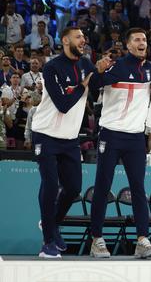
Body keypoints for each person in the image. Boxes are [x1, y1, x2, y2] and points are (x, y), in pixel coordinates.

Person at [88, 29, 151, 258]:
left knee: (138, 189)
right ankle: (96, 239)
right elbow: (93, 90)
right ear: (128, 45)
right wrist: (97, 72)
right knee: (102, 186)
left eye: (145, 40)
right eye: (138, 40)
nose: (143, 43)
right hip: (111, 134)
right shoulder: (116, 66)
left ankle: (142, 240)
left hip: (135, 138)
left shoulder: (149, 69)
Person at [30, 27, 101, 258]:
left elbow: (101, 81)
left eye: (84, 37)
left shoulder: (86, 64)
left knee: (73, 188)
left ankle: (51, 223)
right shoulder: (52, 67)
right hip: (46, 134)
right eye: (78, 37)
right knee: (50, 185)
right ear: (65, 40)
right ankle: (48, 241)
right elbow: (63, 104)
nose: (83, 40)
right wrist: (83, 86)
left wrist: (106, 67)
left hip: (70, 138)